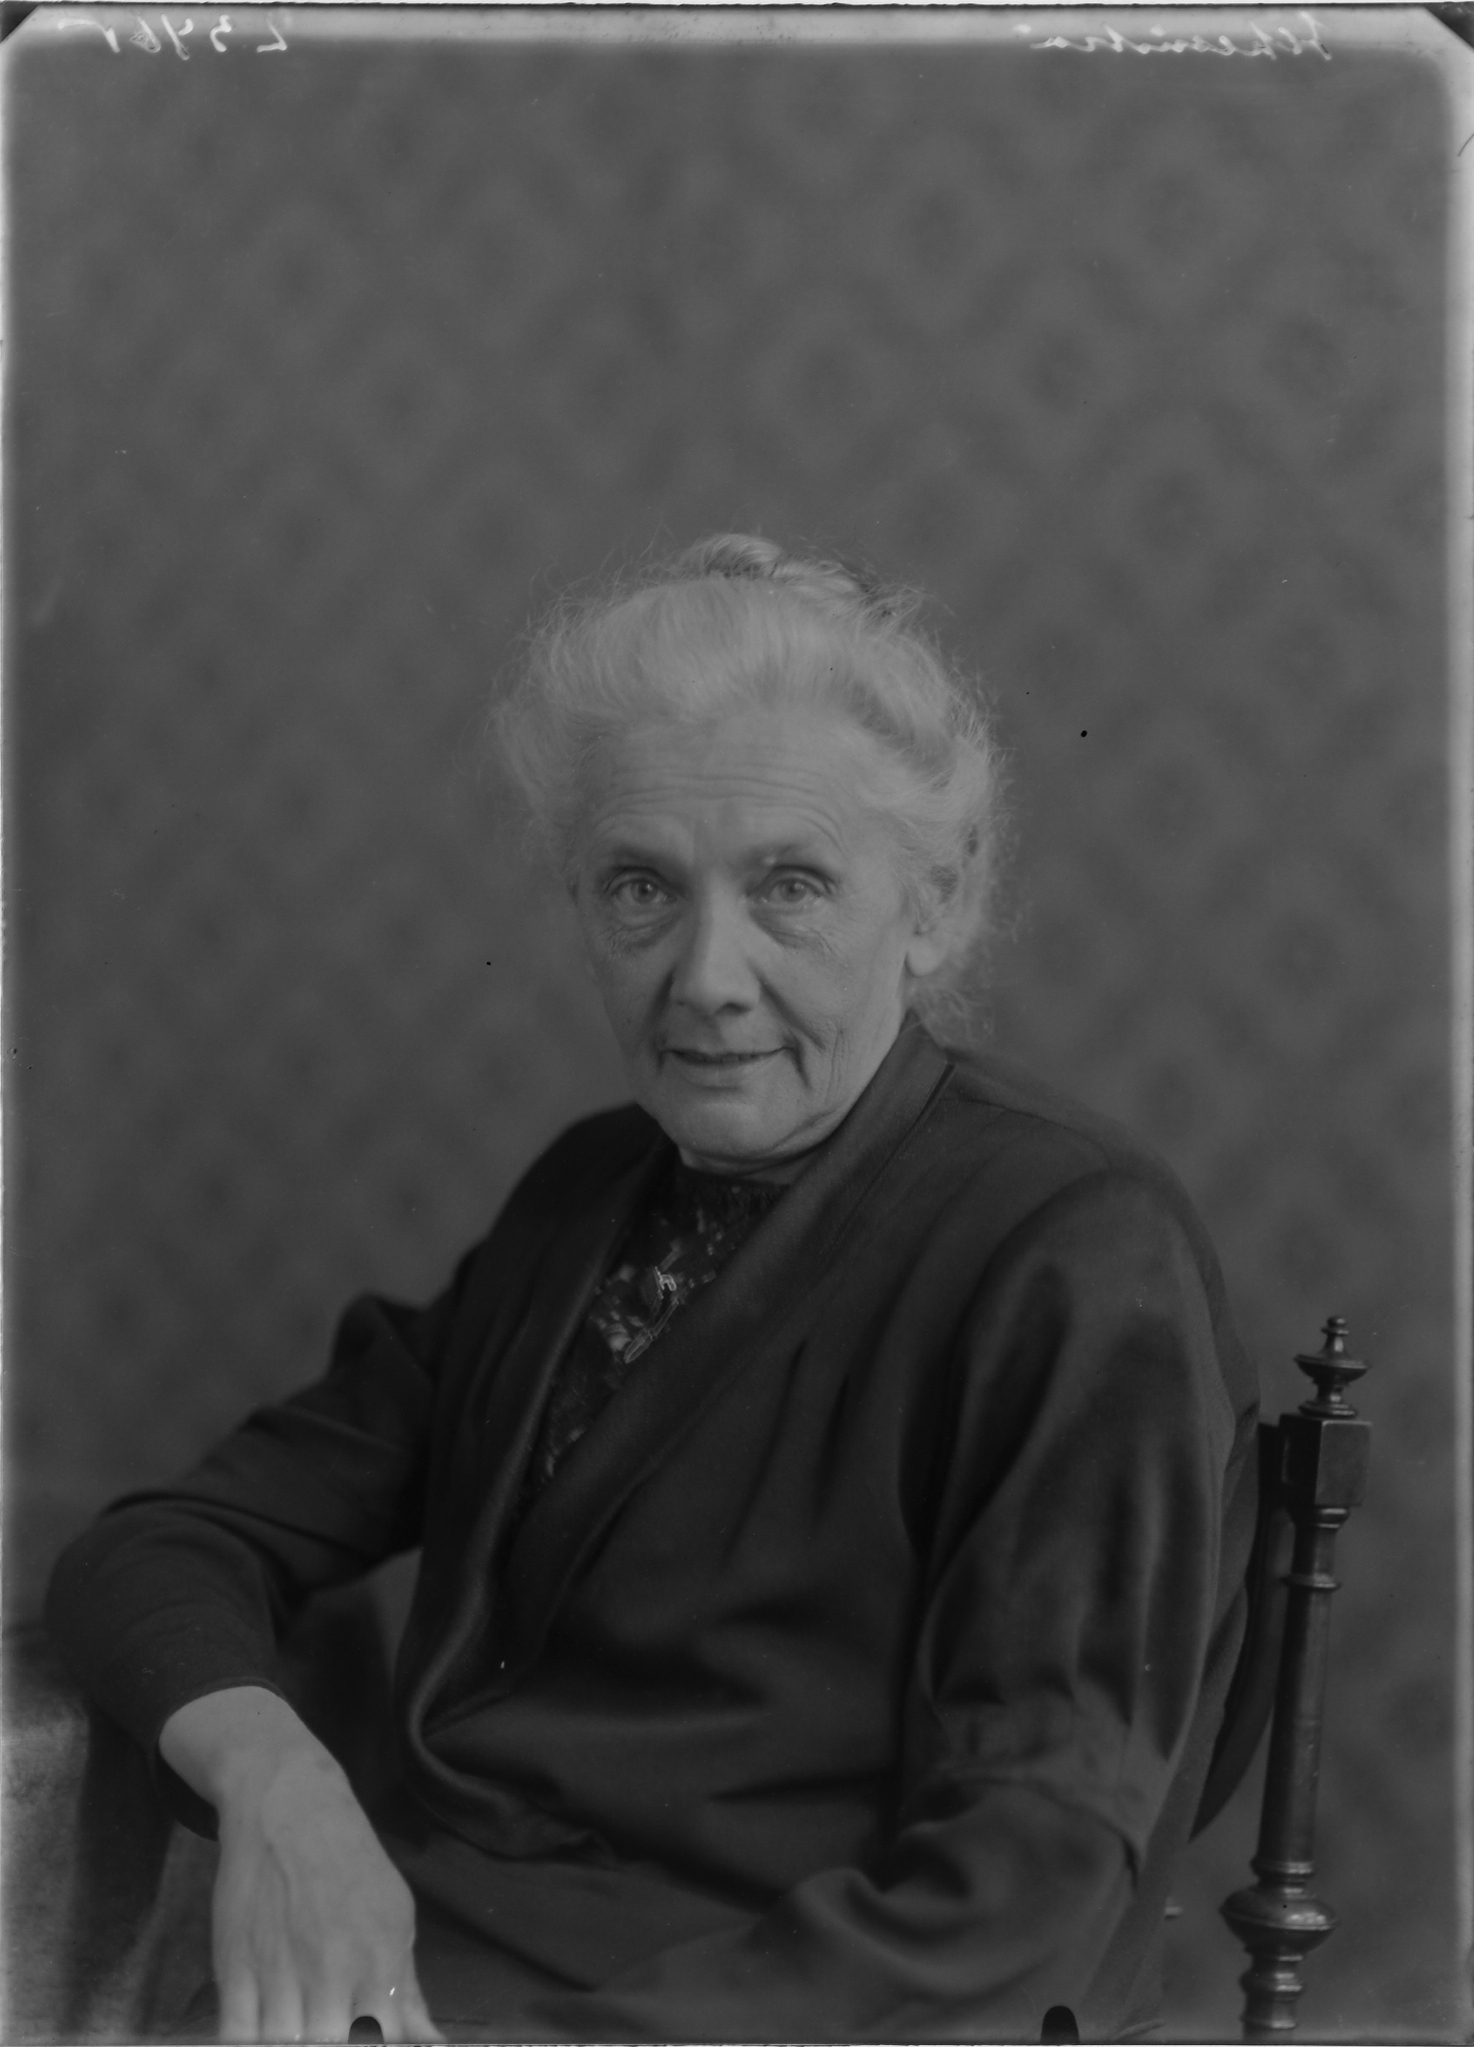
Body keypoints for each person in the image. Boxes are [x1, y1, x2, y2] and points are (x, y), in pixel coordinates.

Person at [47, 535, 1260, 2045]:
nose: (705, 977)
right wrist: (279, 1783)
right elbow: (160, 1548)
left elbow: (1019, 1903)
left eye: (791, 886)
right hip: (424, 1977)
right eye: (642, 887)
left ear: (936, 905)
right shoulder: (585, 1201)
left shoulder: (1073, 1250)